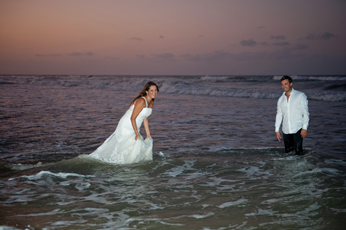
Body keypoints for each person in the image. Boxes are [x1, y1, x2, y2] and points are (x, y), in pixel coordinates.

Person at [88, 81, 159, 164]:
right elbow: (132, 118)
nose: (154, 92)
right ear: (147, 91)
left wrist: (148, 134)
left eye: (156, 90)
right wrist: (136, 133)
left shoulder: (151, 102)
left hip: (135, 125)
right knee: (125, 144)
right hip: (127, 124)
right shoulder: (141, 101)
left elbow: (145, 118)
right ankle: (115, 162)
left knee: (133, 144)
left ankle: (127, 163)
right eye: (152, 90)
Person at [275, 75, 309, 155]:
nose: (284, 86)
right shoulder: (280, 99)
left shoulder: (300, 95)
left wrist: (305, 128)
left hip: (298, 129)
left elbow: (305, 112)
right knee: (288, 153)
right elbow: (279, 115)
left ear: (291, 84)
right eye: (282, 84)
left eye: (286, 84)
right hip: (286, 130)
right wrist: (277, 130)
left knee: (298, 152)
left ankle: (301, 167)